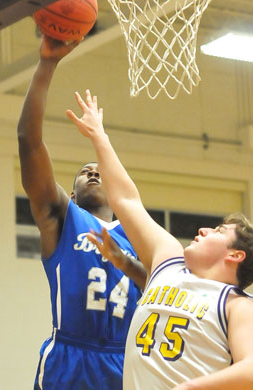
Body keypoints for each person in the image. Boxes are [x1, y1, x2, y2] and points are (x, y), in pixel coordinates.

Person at [66, 89, 253, 390]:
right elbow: (127, 200)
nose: (204, 229)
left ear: (235, 255)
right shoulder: (168, 260)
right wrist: (99, 137)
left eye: (219, 231)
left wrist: (190, 387)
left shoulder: (236, 306)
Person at [17, 36, 146, 390]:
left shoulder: (140, 232)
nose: (92, 172)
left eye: (99, 170)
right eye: (84, 172)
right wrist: (46, 64)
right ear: (71, 194)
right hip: (69, 357)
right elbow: (28, 143)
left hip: (124, 358)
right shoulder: (63, 218)